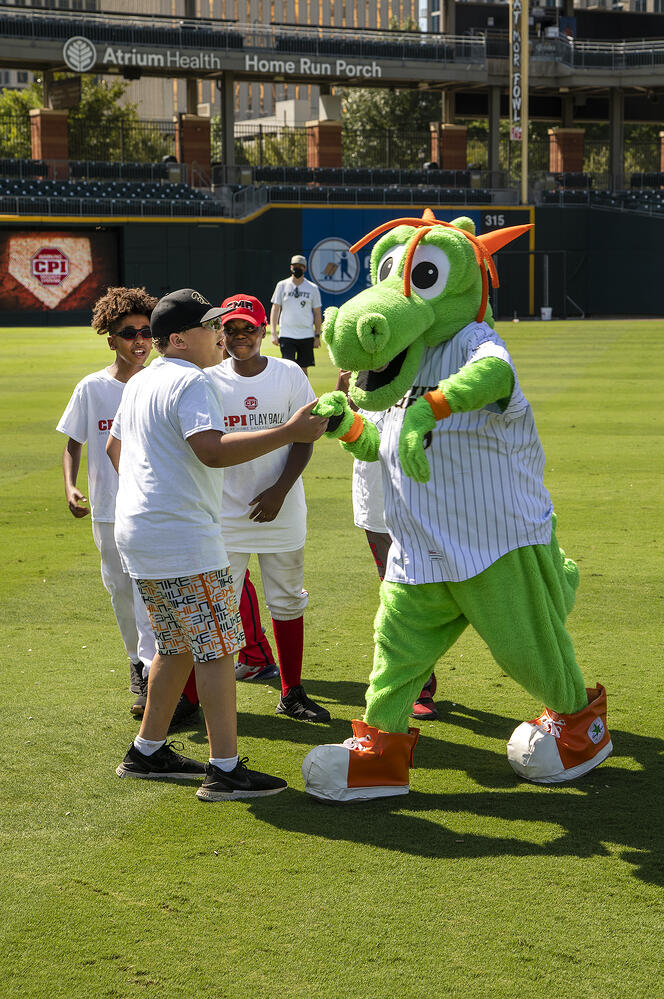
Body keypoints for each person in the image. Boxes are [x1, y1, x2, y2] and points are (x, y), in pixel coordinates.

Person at [107, 288, 327, 800]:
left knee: (176, 644)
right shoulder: (191, 381)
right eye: (212, 326)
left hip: (141, 532)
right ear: (181, 339)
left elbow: (117, 447)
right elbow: (210, 451)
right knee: (218, 649)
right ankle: (225, 769)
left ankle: (146, 751)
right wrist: (290, 430)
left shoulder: (142, 381)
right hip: (183, 535)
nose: (220, 334)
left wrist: (153, 491)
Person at [207, 293, 330, 723]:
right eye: (232, 329)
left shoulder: (290, 373)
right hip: (226, 513)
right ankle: (207, 700)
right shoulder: (207, 379)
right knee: (218, 608)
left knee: (288, 600)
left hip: (284, 506)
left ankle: (292, 691)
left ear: (264, 331)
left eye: (250, 329)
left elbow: (306, 435)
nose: (241, 337)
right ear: (220, 334)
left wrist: (280, 488)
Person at [56, 286, 158, 718]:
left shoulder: (163, 382)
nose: (139, 340)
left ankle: (157, 675)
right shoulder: (92, 388)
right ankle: (138, 665)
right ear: (111, 338)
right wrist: (70, 486)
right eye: (129, 332)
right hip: (108, 510)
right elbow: (72, 443)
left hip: (156, 510)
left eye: (147, 332)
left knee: (152, 594)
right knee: (121, 593)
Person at [335, 370, 439, 721]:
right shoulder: (357, 375)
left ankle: (421, 683)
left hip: (419, 505)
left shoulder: (423, 366)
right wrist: (341, 389)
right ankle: (412, 683)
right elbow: (347, 422)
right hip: (376, 508)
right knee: (394, 597)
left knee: (418, 595)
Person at [270, 254, 322, 376]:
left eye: (300, 266)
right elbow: (275, 309)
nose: (297, 268)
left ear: (305, 268)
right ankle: (288, 394)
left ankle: (304, 395)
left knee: (303, 369)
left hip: (306, 334)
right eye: (295, 266)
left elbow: (317, 313)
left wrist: (317, 335)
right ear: (290, 267)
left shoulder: (312, 288)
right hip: (287, 333)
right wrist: (273, 333)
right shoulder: (282, 285)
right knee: (288, 368)